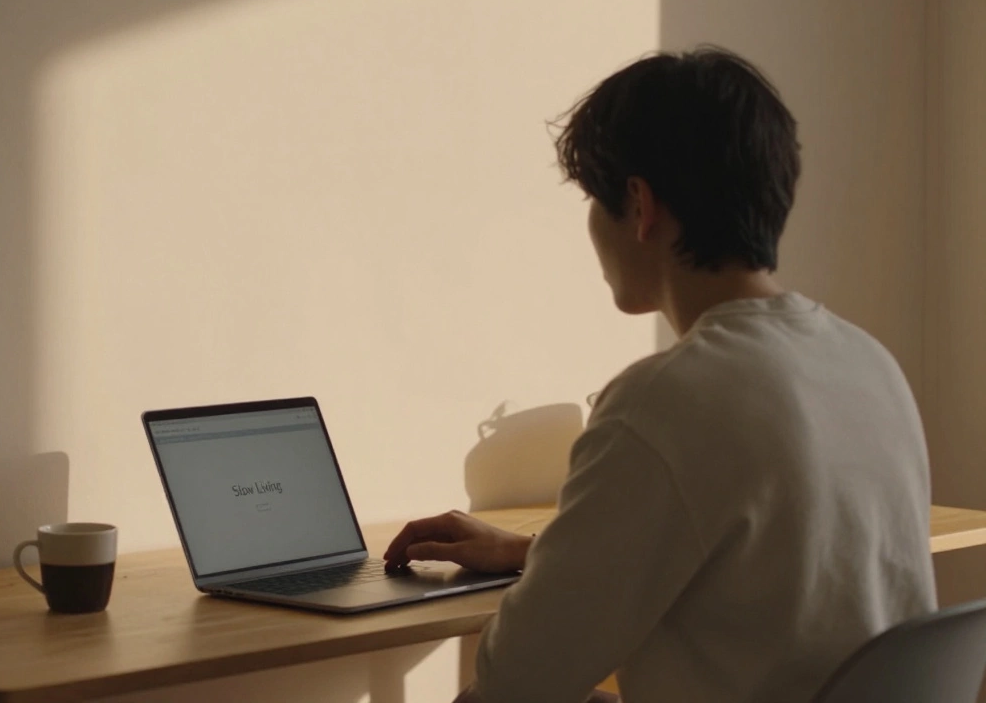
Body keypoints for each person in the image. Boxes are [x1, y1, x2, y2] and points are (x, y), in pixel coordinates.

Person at [383, 48, 936, 703]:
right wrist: (536, 555)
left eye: (594, 197)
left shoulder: (664, 402)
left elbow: (517, 683)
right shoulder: (867, 360)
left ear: (640, 205)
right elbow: (755, 572)